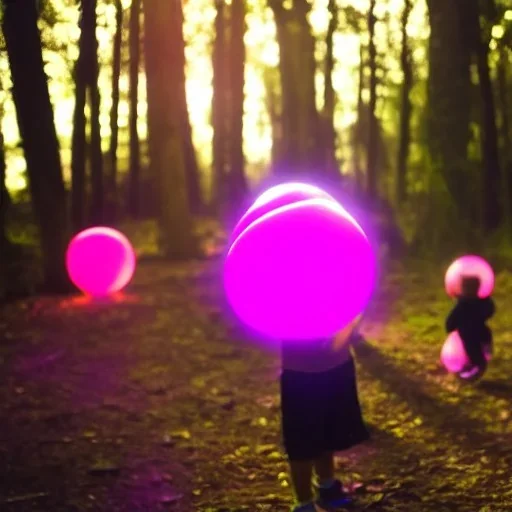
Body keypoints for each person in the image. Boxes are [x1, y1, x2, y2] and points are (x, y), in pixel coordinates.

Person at [280, 316, 370, 512]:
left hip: (337, 368)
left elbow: (353, 308)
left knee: (330, 431)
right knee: (301, 441)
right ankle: (304, 503)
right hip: (302, 373)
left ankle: (327, 486)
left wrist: (347, 326)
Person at [445, 275, 495, 379]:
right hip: (481, 329)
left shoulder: (463, 305)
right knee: (485, 334)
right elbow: (490, 311)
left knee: (472, 349)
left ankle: (476, 366)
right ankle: (486, 348)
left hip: (467, 333)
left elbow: (451, 321)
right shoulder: (482, 302)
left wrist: (450, 327)